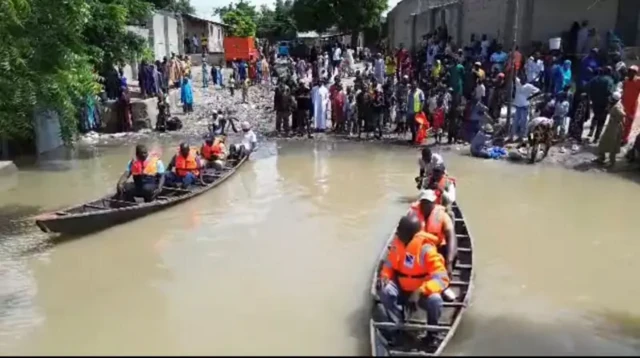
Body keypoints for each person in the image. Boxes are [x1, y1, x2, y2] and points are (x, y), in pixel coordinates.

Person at [378, 213, 450, 330]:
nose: (397, 232)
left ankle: (432, 333)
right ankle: (397, 325)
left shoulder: (426, 250)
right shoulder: (398, 244)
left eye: (401, 230)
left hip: (421, 293)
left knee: (435, 300)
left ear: (412, 234)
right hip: (401, 288)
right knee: (384, 290)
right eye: (398, 229)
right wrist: (385, 275)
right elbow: (389, 264)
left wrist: (420, 291)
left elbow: (442, 278)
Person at [408, 189, 456, 273]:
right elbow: (403, 236)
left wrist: (449, 261)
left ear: (433, 203)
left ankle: (445, 271)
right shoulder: (412, 215)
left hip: (437, 249)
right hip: (418, 249)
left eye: (428, 203)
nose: (425, 206)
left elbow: (451, 236)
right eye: (423, 202)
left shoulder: (443, 216)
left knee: (453, 251)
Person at [596, 92, 625, 167]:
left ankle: (611, 162)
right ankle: (602, 158)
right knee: (604, 142)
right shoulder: (617, 104)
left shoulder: (616, 107)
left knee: (612, 144)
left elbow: (623, 114)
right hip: (613, 126)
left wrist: (616, 119)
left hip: (614, 127)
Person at [622, 65, 640, 144]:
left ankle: (625, 139)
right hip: (623, 105)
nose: (630, 73)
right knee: (621, 124)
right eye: (629, 71)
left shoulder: (638, 81)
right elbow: (623, 90)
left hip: (632, 107)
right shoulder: (625, 80)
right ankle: (620, 137)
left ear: (636, 73)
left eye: (633, 72)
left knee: (628, 124)